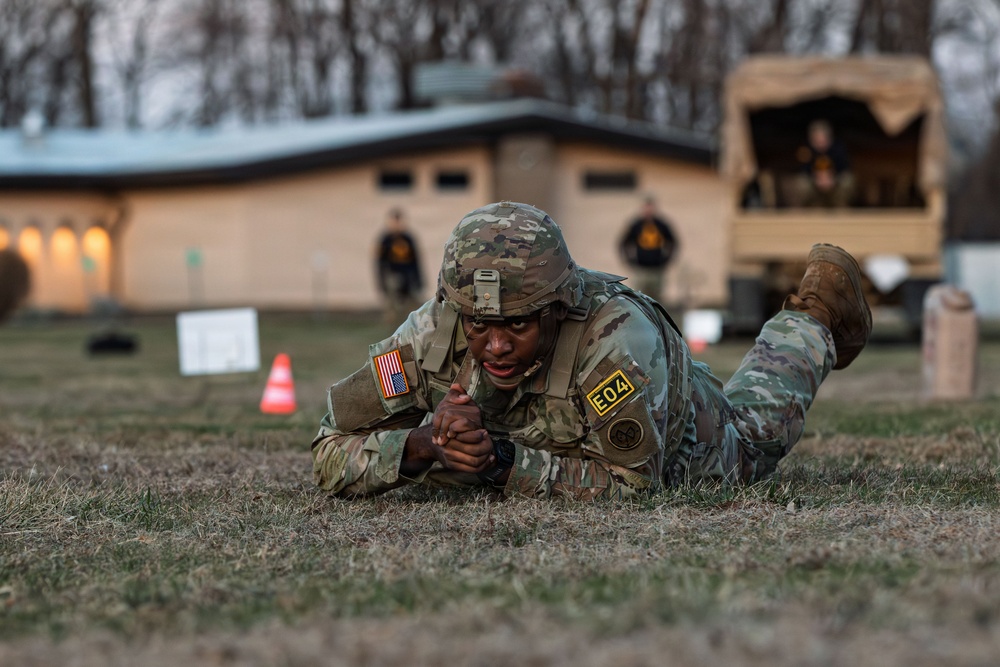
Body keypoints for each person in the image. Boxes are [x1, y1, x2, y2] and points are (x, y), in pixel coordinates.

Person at [312, 201, 871, 500]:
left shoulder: (615, 346)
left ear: (559, 307)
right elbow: (328, 448)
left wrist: (501, 464)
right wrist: (419, 446)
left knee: (754, 437)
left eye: (520, 324)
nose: (497, 345)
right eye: (480, 325)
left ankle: (815, 311)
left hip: (681, 437)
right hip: (553, 437)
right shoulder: (428, 336)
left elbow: (634, 485)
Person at [618, 198, 678, 303]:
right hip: (641, 269)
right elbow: (624, 243)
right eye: (646, 208)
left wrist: (666, 260)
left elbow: (673, 242)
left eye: (650, 208)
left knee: (658, 300)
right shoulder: (636, 225)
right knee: (639, 299)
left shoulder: (661, 225)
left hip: (657, 270)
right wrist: (629, 260)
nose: (648, 211)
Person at [792, 119, 855, 208]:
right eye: (817, 139)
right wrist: (817, 179)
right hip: (814, 185)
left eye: (823, 138)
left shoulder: (838, 150)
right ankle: (809, 208)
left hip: (834, 185)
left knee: (847, 180)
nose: (820, 142)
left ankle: (840, 207)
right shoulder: (805, 151)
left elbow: (845, 168)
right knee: (801, 183)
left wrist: (832, 178)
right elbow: (803, 171)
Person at [375, 209, 423, 322]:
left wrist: (418, 280)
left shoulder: (408, 238)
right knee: (393, 308)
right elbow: (380, 263)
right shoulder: (386, 240)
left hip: (408, 276)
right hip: (392, 276)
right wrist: (382, 281)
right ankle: (393, 330)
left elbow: (416, 261)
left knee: (411, 306)